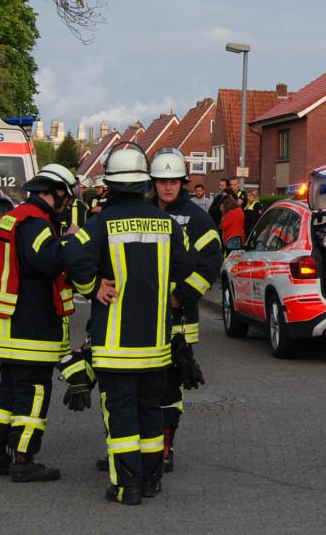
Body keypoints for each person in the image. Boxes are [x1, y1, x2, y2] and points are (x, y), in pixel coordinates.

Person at [64, 147, 193, 505]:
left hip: (114, 347)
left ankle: (127, 486)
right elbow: (188, 265)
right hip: (155, 346)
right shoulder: (167, 224)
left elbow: (73, 253)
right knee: (150, 412)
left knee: (121, 417)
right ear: (144, 183)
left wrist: (92, 286)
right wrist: (165, 288)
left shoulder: (100, 223)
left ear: (110, 185)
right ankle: (151, 481)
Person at [0, 163, 78, 482]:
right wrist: (70, 241)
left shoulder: (17, 215)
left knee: (8, 390)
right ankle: (23, 460)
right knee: (34, 390)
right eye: (67, 199)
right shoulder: (35, 221)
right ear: (58, 193)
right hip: (29, 324)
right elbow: (47, 260)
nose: (67, 206)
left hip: (8, 323)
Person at [147, 148, 219, 471]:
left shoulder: (197, 219)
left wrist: (182, 295)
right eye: (162, 181)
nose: (167, 187)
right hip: (140, 319)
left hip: (177, 321)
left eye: (173, 181)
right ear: (153, 183)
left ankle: (164, 448)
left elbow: (210, 263)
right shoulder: (143, 212)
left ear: (182, 183)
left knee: (168, 388)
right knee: (138, 386)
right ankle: (131, 450)